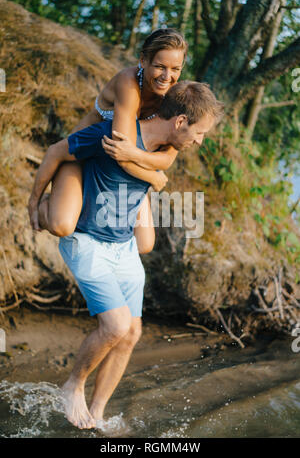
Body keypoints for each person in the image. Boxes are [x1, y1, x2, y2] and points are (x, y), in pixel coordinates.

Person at [28, 81, 223, 429]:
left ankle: (97, 414)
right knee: (115, 325)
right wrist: (35, 202)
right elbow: (57, 151)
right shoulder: (111, 136)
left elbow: (150, 175)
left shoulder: (165, 148)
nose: (200, 140)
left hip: (123, 247)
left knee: (131, 332)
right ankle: (73, 386)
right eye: (200, 133)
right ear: (180, 121)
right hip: (87, 242)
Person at [29, 28, 188, 255]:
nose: (167, 76)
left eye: (175, 69)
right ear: (143, 60)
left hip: (118, 170)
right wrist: (152, 176)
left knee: (144, 244)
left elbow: (166, 159)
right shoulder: (128, 83)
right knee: (62, 225)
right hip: (83, 155)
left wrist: (148, 164)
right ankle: (48, 204)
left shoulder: (174, 97)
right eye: (160, 66)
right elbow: (121, 152)